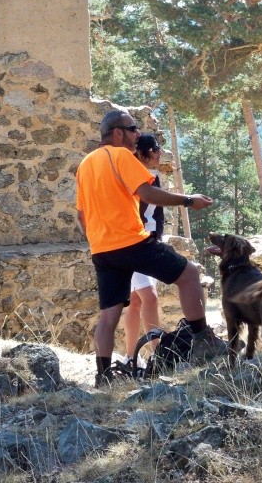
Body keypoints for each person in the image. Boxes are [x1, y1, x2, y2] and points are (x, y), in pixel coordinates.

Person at [76, 110, 226, 387]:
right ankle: (204, 342)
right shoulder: (120, 155)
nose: (137, 135)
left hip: (101, 249)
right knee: (189, 274)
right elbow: (147, 193)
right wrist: (188, 200)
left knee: (109, 314)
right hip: (131, 240)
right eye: (133, 129)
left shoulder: (85, 164)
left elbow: (81, 214)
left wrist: (97, 240)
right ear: (118, 133)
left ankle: (103, 376)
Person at [121, 133, 164, 367]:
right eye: (156, 149)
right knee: (150, 297)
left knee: (136, 301)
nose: (159, 153)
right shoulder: (130, 176)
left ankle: (130, 357)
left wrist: (158, 240)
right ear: (145, 152)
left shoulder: (153, 178)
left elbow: (157, 214)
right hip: (133, 243)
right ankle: (159, 356)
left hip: (149, 243)